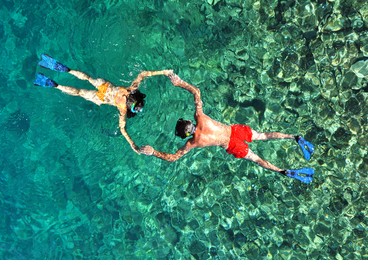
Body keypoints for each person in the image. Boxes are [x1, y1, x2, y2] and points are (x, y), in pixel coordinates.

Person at [140, 73, 315, 184]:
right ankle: (294, 137)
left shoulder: (192, 143)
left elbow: (173, 158)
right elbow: (196, 92)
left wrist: (153, 151)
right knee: (263, 136)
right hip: (235, 131)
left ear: (185, 134)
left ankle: (283, 171)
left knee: (257, 160)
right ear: (190, 122)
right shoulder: (200, 117)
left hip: (231, 145)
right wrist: (179, 83)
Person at [33, 54, 172, 153]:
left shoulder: (130, 90)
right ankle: (54, 85)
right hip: (102, 98)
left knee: (88, 78)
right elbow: (122, 129)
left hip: (105, 87)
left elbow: (143, 74)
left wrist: (163, 72)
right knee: (80, 92)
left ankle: (64, 70)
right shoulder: (123, 109)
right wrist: (132, 144)